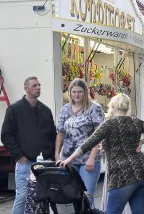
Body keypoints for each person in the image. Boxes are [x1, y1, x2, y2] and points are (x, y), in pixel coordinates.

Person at [59, 93, 144, 214]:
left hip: (122, 173)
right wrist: (142, 141)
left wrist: (70, 158)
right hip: (143, 171)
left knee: (112, 211)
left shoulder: (109, 124)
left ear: (113, 106)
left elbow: (89, 143)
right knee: (138, 211)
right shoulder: (136, 122)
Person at [1, 76, 56, 214]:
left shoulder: (46, 111)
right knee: (23, 196)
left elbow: (53, 135)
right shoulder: (14, 109)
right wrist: (19, 156)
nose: (38, 88)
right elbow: (6, 135)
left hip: (45, 163)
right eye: (34, 86)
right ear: (26, 88)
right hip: (25, 162)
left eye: (39, 85)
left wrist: (53, 156)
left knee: (45, 197)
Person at [55, 78, 105, 208]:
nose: (77, 95)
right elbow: (60, 133)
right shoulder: (65, 109)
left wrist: (92, 158)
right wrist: (57, 155)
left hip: (87, 159)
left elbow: (99, 135)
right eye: (74, 92)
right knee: (70, 196)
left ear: (85, 92)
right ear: (70, 93)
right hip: (68, 159)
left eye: (80, 92)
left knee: (87, 196)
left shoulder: (94, 108)